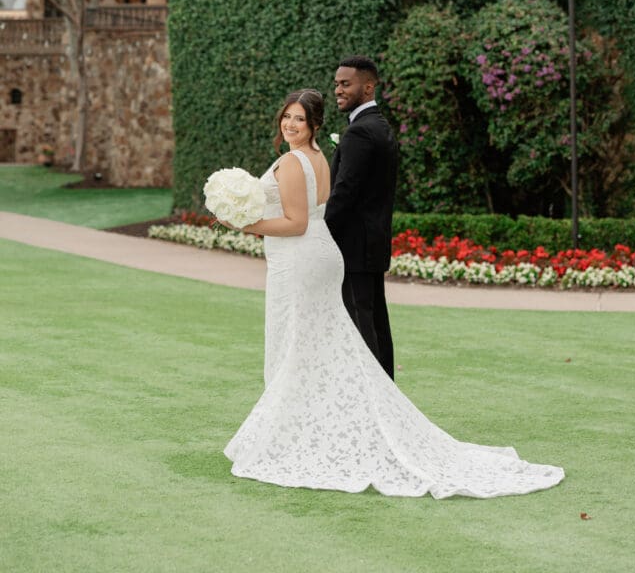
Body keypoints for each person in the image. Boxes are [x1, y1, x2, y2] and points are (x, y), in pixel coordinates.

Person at [223, 87, 565, 498]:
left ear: (314, 124)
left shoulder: (295, 162)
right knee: (318, 346)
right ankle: (308, 427)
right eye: (287, 117)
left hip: (299, 261)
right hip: (314, 256)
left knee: (295, 345)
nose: (290, 124)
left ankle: (289, 438)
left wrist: (245, 224)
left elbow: (295, 223)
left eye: (299, 119)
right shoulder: (315, 158)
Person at [324, 56, 397, 379]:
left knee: (361, 326)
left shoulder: (360, 133)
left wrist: (320, 235)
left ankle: (372, 401)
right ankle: (387, 398)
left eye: (346, 84)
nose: (338, 89)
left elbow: (344, 194)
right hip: (372, 244)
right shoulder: (379, 126)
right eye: (337, 83)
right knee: (376, 324)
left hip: (353, 248)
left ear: (368, 87)